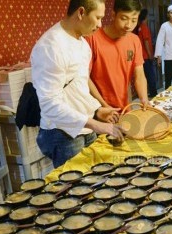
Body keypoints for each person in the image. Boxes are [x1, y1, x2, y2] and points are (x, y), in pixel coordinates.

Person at [31, 0, 124, 168]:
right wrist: (97, 125)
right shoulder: (50, 47)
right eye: (97, 18)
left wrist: (97, 110)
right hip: (62, 132)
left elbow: (79, 83)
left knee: (95, 179)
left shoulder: (81, 42)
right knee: (75, 187)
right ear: (81, 12)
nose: (100, 25)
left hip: (85, 125)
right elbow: (49, 105)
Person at [86, 0, 150, 110]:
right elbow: (84, 77)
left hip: (125, 108)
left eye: (134, 20)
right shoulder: (92, 38)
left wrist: (144, 99)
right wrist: (104, 106)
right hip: (99, 110)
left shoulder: (134, 40)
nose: (128, 25)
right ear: (113, 15)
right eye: (124, 19)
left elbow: (139, 75)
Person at [133, 8, 158, 98]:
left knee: (145, 75)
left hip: (140, 56)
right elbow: (146, 42)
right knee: (151, 75)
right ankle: (153, 93)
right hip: (146, 57)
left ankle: (149, 92)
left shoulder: (138, 27)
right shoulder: (144, 27)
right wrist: (150, 55)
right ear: (146, 16)